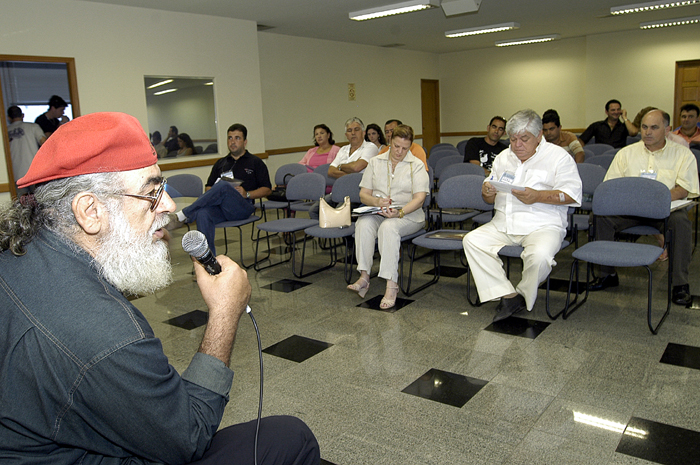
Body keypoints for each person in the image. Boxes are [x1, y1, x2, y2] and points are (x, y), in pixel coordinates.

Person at [0, 112, 319, 464]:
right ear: (90, 211)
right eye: (152, 192)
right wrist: (225, 312)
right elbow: (189, 437)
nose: (167, 204)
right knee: (291, 437)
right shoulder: (108, 334)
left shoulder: (17, 252)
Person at [463, 109, 582, 322]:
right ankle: (508, 295)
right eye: (513, 139)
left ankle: (523, 294)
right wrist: (487, 192)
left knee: (539, 257)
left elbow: (571, 196)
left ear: (539, 136)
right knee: (472, 241)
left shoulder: (559, 158)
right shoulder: (503, 157)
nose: (517, 145)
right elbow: (489, 196)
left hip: (543, 225)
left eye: (524, 139)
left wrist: (538, 196)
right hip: (503, 223)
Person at [589, 109, 700, 306]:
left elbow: (683, 189)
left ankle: (680, 284)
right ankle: (608, 274)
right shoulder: (626, 154)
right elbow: (610, 186)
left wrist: (654, 201)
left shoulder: (682, 154)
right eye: (644, 127)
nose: (647, 132)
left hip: (665, 211)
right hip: (628, 210)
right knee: (598, 216)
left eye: (654, 127)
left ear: (667, 130)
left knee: (681, 222)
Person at [347, 124, 429, 310]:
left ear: (410, 146)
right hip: (380, 211)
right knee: (363, 223)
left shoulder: (416, 165)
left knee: (389, 227)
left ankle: (392, 284)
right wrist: (377, 203)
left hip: (409, 214)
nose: (399, 152)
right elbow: (364, 194)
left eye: (405, 148)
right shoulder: (375, 162)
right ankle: (364, 276)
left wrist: (400, 212)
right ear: (390, 141)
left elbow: (419, 199)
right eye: (397, 146)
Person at [167, 123, 272, 255]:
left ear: (245, 142)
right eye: (230, 138)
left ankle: (184, 215)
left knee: (224, 185)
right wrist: (216, 190)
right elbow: (208, 187)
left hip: (243, 207)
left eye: (237, 138)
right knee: (203, 213)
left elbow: (267, 189)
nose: (233, 142)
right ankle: (208, 262)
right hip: (221, 208)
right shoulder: (221, 163)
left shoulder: (255, 162)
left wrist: (247, 194)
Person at [6, 105, 46, 194]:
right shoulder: (33, 127)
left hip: (15, 174)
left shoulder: (5, 131)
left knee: (22, 205)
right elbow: (45, 144)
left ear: (9, 118)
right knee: (39, 202)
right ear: (22, 115)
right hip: (34, 172)